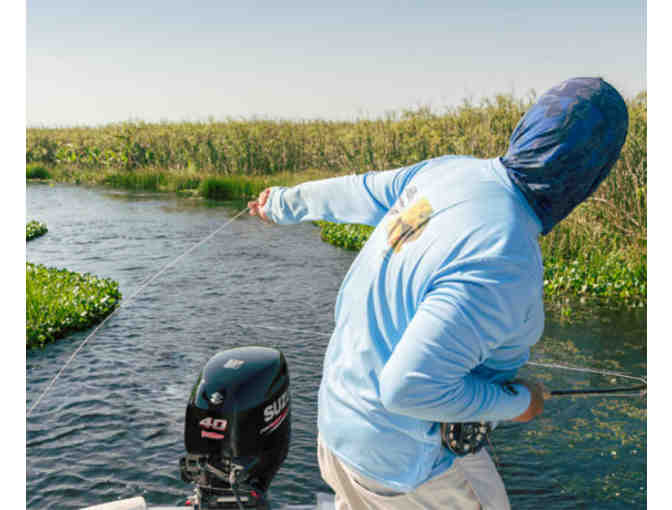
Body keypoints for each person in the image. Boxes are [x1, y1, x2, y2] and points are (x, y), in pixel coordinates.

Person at [247, 77, 628, 510]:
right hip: (402, 466)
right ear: (592, 173)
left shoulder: (446, 172)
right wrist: (521, 403)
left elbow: (355, 192)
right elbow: (407, 388)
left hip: (338, 428)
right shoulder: (505, 256)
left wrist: (281, 203)